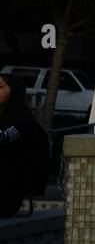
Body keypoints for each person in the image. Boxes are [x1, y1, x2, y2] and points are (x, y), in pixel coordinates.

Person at [0, 74, 52, 218]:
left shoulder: (23, 121)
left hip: (7, 196)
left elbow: (4, 137)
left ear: (14, 93)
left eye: (0, 87)